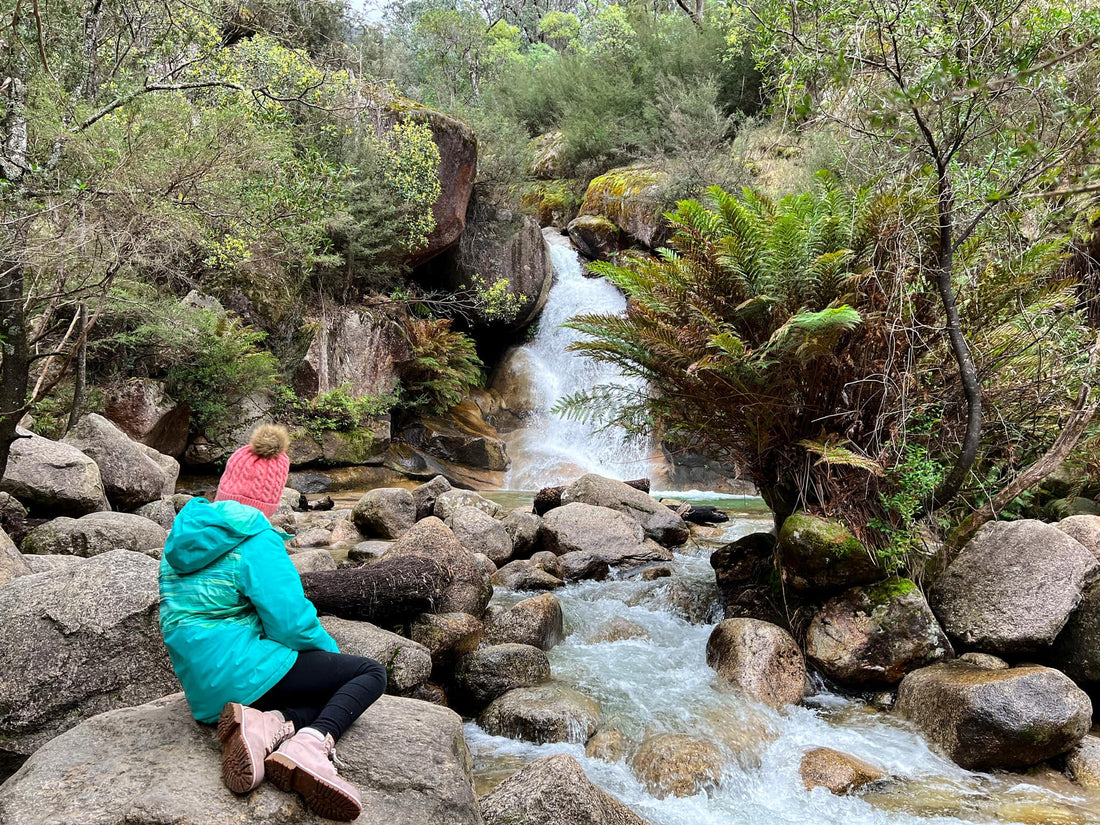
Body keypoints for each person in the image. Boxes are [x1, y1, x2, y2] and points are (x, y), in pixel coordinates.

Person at [159, 424, 386, 822]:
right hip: (245, 675)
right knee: (368, 674)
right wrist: (329, 659)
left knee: (309, 682)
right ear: (273, 494)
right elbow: (291, 624)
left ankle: (266, 724)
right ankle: (309, 745)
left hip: (204, 692)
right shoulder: (255, 538)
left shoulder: (182, 537)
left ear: (226, 482)